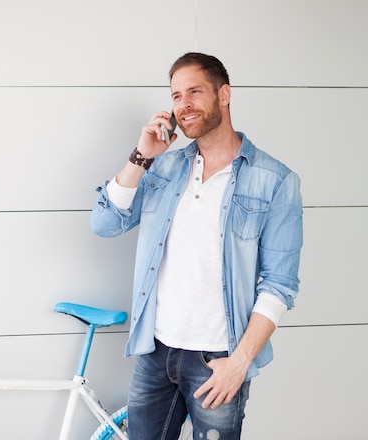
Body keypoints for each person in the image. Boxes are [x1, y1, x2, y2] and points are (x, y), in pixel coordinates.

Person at [90, 52, 303, 440]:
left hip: (218, 360)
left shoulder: (275, 181)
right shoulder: (165, 169)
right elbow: (105, 223)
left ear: (224, 94)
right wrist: (142, 156)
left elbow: (279, 285)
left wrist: (239, 363)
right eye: (175, 96)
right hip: (154, 353)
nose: (183, 104)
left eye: (194, 92)